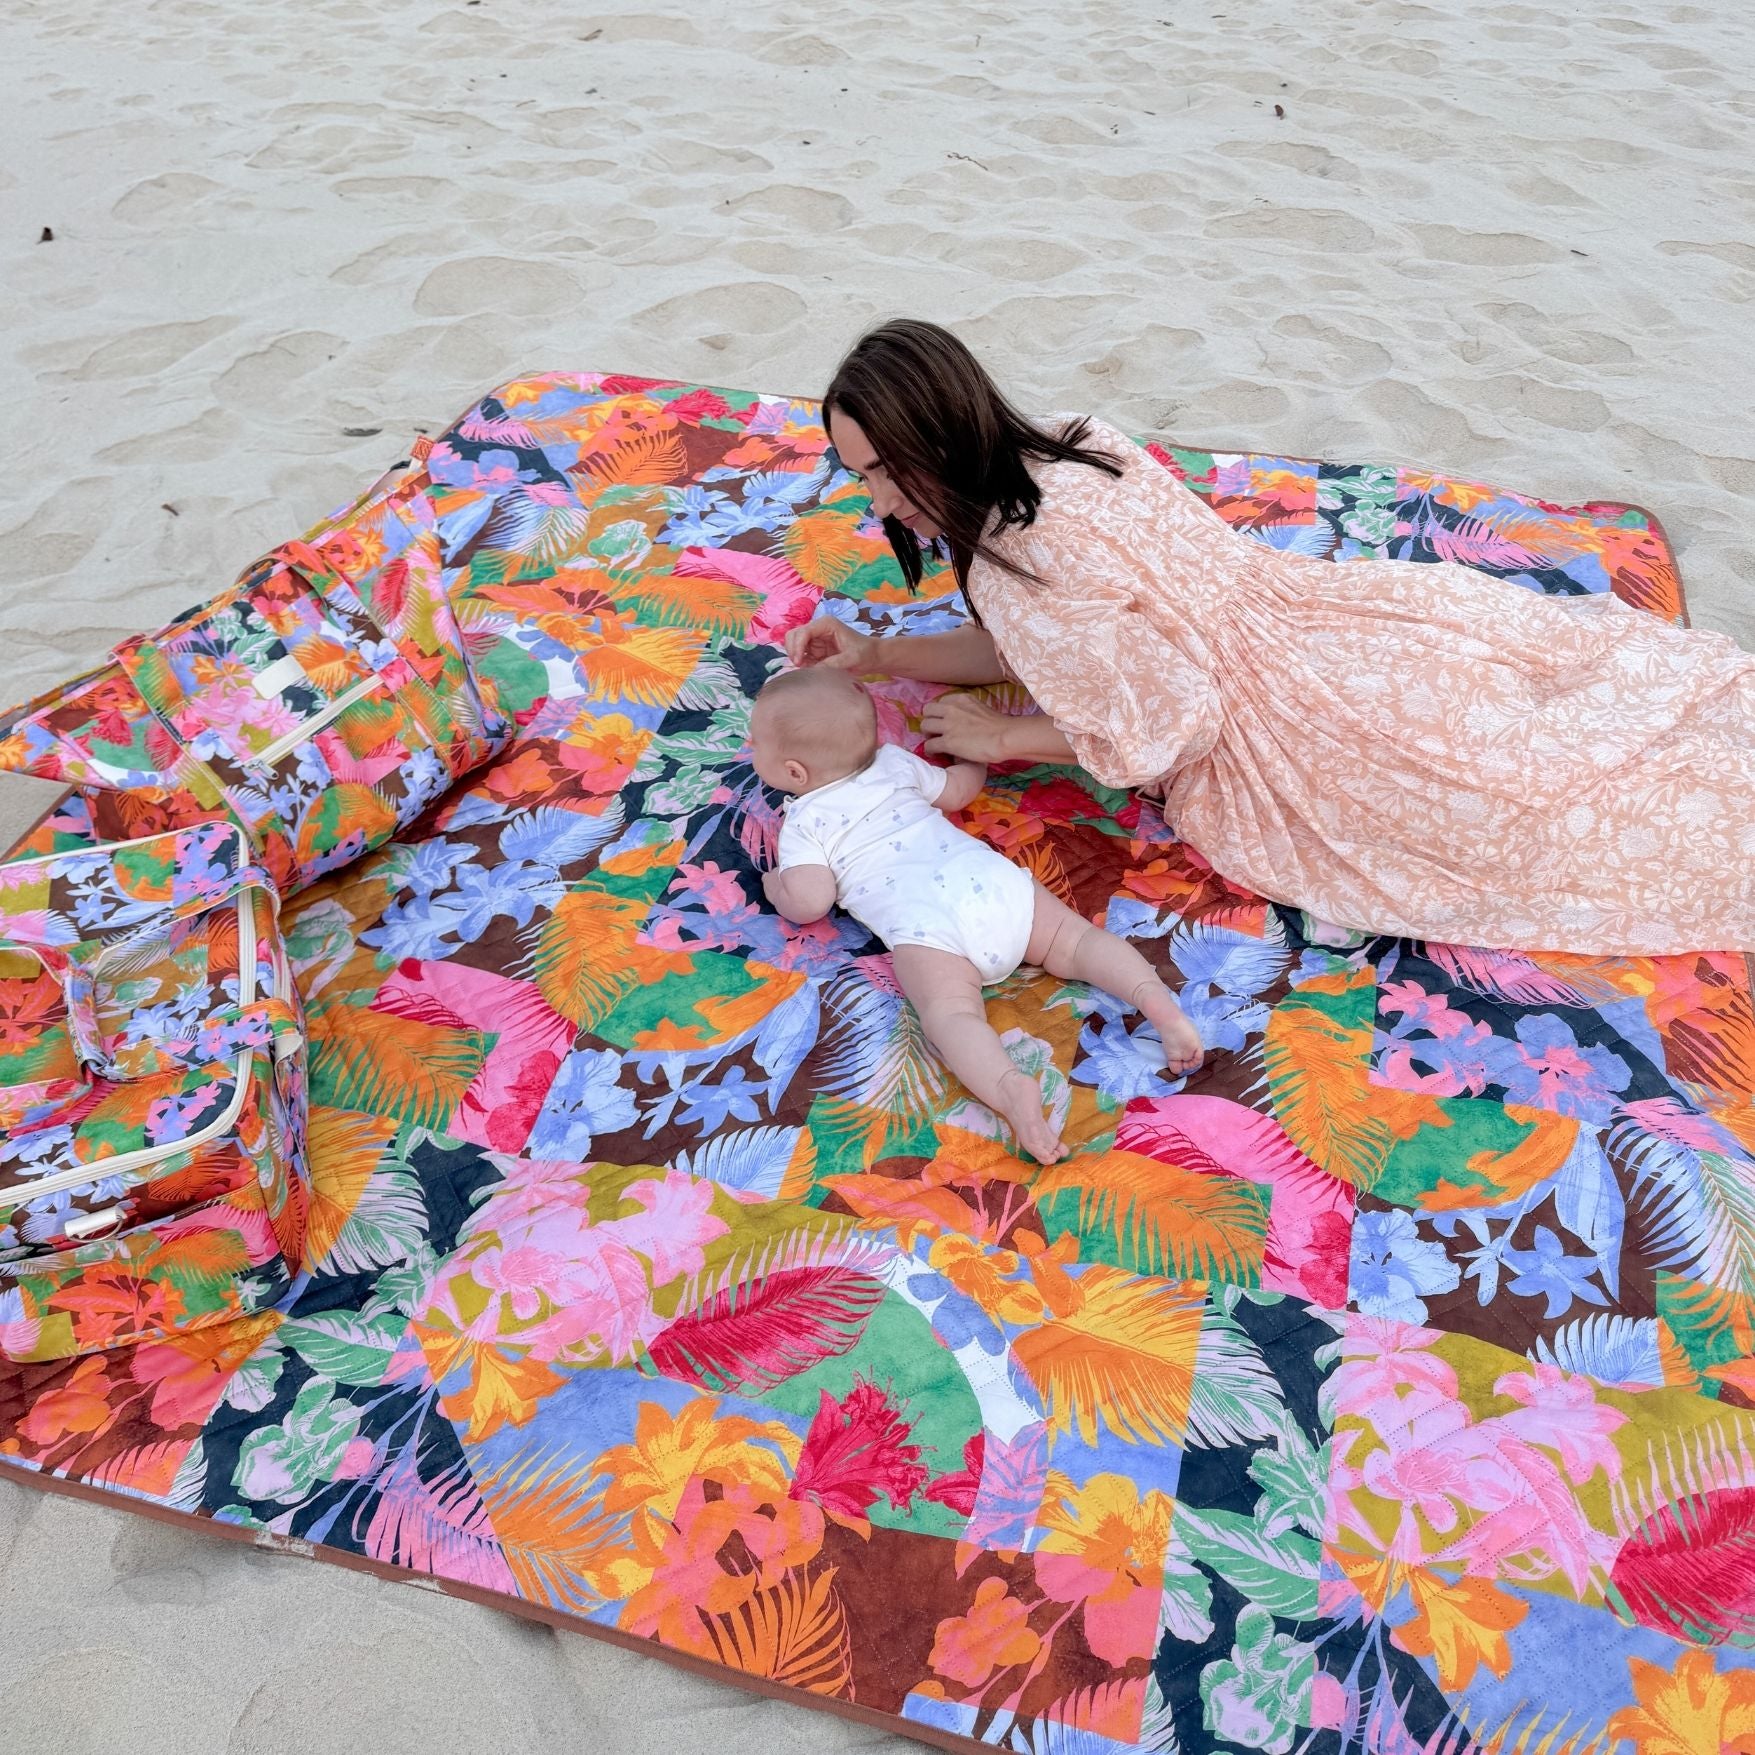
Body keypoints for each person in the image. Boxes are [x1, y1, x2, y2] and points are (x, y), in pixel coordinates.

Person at [784, 318, 1755, 955]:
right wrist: (877, 654)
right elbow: (1040, 646)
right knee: (1567, 711)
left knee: (1540, 804)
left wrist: (1004, 738)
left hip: (1294, 727)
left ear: (943, 430)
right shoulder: (1075, 437)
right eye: (860, 474)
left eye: (887, 469)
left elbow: (1168, 723)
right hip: (1331, 619)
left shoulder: (1021, 563)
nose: (879, 499)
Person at [750, 667, 1203, 1163]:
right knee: (1078, 943)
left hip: (928, 929)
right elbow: (958, 791)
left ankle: (1009, 1087)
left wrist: (776, 885)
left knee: (952, 1016)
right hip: (992, 885)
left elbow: (809, 902)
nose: (751, 750)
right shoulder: (894, 763)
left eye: (755, 745)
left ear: (795, 773)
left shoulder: (806, 823)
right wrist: (972, 759)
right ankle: (1155, 1001)